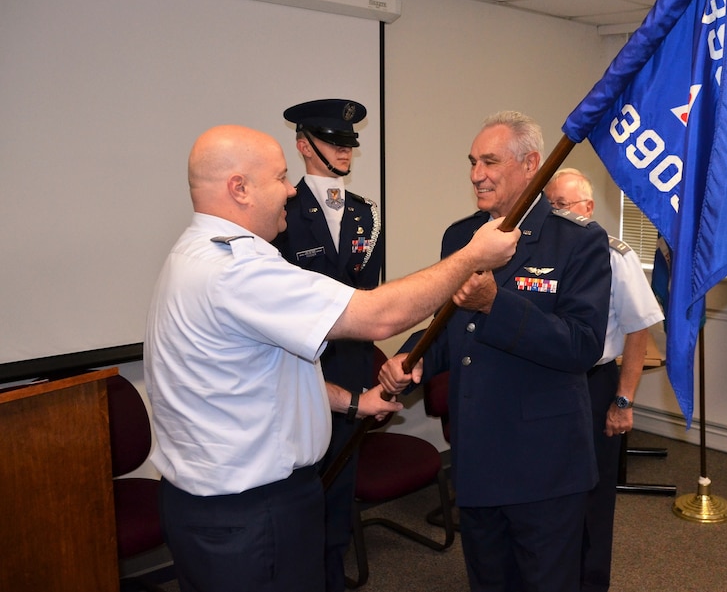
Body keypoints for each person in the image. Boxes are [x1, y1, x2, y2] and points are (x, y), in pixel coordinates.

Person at [143, 124, 520, 592]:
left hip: (221, 506)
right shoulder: (235, 270)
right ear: (239, 188)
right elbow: (378, 317)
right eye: (280, 177)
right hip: (251, 513)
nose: (289, 190)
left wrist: (352, 403)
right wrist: (471, 257)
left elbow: (262, 376)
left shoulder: (195, 254)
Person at [378, 111, 612, 592]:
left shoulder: (579, 243)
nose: (475, 174)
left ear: (530, 164)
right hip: (477, 454)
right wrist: (416, 356)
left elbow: (581, 346)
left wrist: (496, 305)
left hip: (543, 467)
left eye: (489, 161)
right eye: (471, 162)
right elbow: (450, 326)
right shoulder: (461, 236)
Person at [272, 98, 384, 592]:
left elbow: (366, 300)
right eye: (334, 142)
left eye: (348, 144)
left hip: (353, 369)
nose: (344, 151)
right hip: (299, 369)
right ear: (304, 145)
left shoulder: (366, 215)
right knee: (299, 493)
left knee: (339, 489)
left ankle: (333, 577)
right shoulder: (281, 214)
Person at [544, 168, 664, 592]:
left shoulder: (615, 255)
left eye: (562, 205)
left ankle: (590, 581)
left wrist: (623, 400)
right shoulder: (538, 249)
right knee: (547, 491)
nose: (553, 213)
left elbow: (638, 328)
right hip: (545, 384)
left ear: (588, 209)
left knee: (594, 495)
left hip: (593, 385)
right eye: (549, 205)